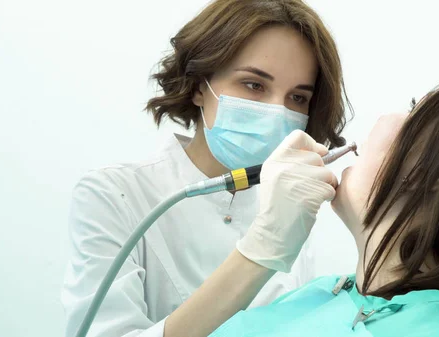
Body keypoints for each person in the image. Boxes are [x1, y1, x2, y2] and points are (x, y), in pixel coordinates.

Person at [158, 76, 439, 337]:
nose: (388, 119)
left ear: (438, 180)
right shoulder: (328, 292)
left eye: (413, 112)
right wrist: (262, 245)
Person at [61, 0, 351, 336]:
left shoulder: (287, 208)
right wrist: (261, 250)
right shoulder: (114, 194)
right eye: (254, 85)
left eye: (297, 98)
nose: (276, 111)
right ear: (200, 85)